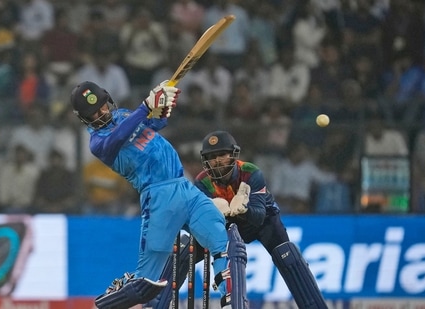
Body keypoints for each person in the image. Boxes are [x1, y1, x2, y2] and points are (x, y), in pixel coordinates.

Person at [69, 81, 247, 309]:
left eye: (103, 105)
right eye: (93, 112)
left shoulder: (123, 114)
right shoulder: (98, 142)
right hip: (159, 198)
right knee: (147, 282)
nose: (101, 112)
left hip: (185, 187)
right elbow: (119, 136)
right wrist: (145, 105)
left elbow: (154, 123)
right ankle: (106, 305)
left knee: (221, 238)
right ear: (83, 118)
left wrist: (162, 107)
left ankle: (232, 302)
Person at [150, 131, 328, 309]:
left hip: (262, 222)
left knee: (287, 255)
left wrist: (243, 210)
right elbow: (196, 224)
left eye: (222, 154)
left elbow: (258, 216)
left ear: (233, 155)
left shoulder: (250, 172)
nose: (217, 161)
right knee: (183, 251)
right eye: (212, 157)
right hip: (224, 224)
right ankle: (157, 305)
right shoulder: (202, 182)